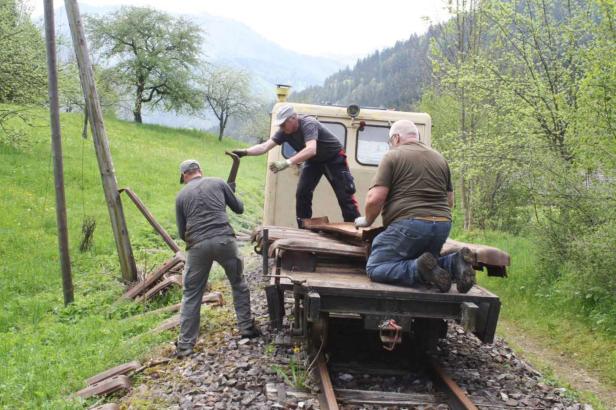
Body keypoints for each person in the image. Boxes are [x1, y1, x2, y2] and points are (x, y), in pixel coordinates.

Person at [354, 120, 475, 293]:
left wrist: (367, 220)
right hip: (442, 225)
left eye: (390, 141)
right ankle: (453, 263)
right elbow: (449, 201)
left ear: (396, 138)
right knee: (425, 261)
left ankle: (418, 271)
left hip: (409, 225)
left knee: (376, 267)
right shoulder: (439, 158)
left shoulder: (393, 155)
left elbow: (375, 198)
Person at [174, 159, 259, 358]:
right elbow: (239, 208)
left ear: (185, 175)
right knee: (238, 283)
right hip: (225, 241)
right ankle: (246, 327)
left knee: (192, 294)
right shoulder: (219, 183)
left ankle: (185, 345)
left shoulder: (181, 196)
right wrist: (230, 192)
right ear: (199, 171)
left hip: (198, 246)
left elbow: (180, 232)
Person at [232, 103, 360, 227]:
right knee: (302, 193)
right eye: (280, 125)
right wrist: (245, 152)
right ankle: (304, 227)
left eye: (283, 124)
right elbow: (265, 146)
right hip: (313, 161)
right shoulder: (284, 132)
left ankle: (354, 228)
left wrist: (287, 162)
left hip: (334, 158)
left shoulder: (308, 123)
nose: (282, 128)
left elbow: (311, 149)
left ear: (293, 118)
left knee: (344, 195)